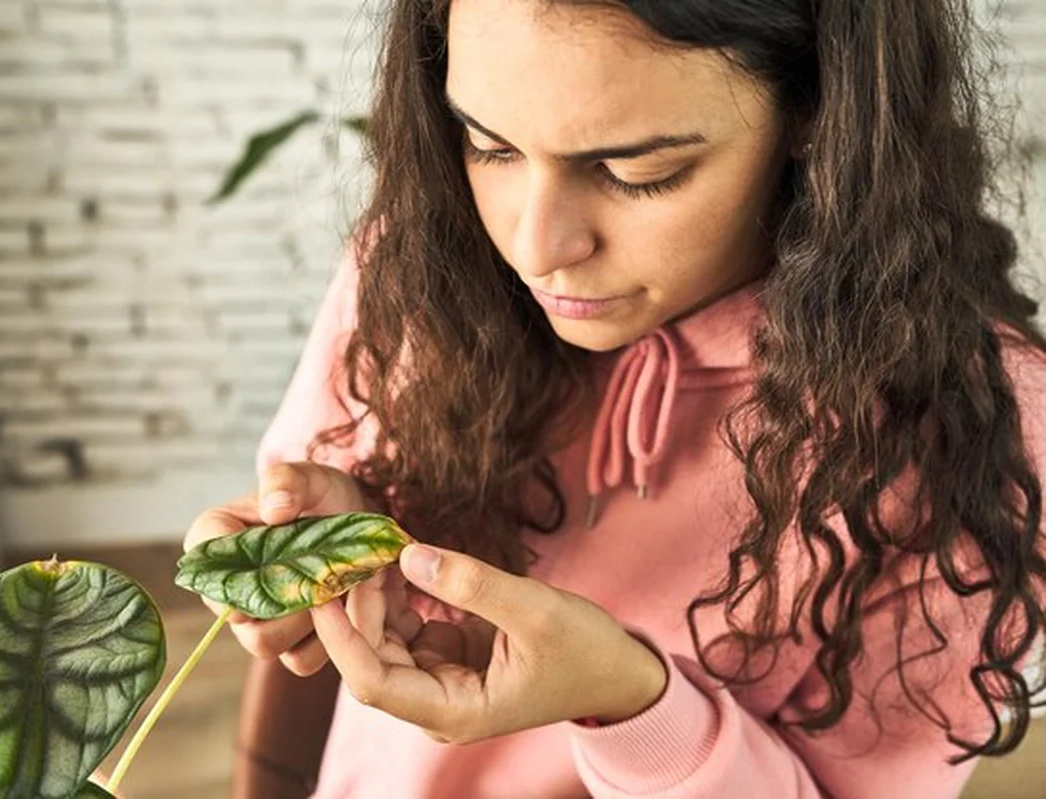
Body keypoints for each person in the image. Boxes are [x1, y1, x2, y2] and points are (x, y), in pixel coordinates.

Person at [185, 0, 1046, 796]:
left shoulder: (977, 439)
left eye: (638, 171)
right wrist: (345, 526)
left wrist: (632, 704)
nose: (536, 248)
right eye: (488, 144)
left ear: (817, 115)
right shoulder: (418, 267)